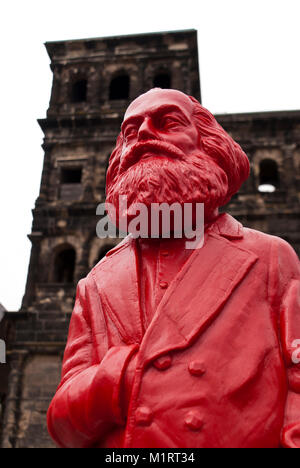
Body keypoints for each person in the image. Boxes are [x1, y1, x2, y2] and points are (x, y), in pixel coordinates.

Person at [47, 88, 300, 448]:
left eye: (167, 123)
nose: (144, 135)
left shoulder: (271, 258)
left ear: (208, 146)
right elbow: (63, 422)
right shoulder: (95, 284)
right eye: (130, 132)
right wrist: (120, 377)